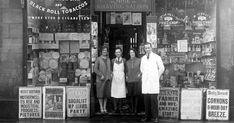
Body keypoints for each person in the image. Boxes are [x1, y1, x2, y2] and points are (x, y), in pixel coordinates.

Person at [140, 42, 165, 123]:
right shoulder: (143, 58)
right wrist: (145, 75)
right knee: (146, 101)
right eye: (146, 48)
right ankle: (147, 117)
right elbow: (141, 69)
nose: (147, 49)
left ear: (151, 48)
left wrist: (156, 76)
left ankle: (155, 117)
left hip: (153, 82)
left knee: (153, 101)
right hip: (146, 82)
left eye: (148, 48)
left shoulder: (156, 57)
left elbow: (162, 68)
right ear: (144, 49)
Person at [94, 46, 112, 114]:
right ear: (101, 51)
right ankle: (101, 107)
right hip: (100, 79)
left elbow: (110, 69)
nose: (105, 51)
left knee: (106, 94)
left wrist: (111, 74)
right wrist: (100, 75)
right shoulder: (98, 59)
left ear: (107, 52)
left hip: (107, 79)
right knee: (100, 94)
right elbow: (95, 69)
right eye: (103, 50)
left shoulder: (108, 59)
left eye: (106, 50)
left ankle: (105, 107)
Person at [111, 47, 127, 113]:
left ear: (121, 53)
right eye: (116, 52)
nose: (118, 53)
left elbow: (126, 69)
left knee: (121, 92)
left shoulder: (124, 60)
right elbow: (111, 69)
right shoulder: (112, 60)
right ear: (115, 53)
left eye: (119, 52)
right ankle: (115, 108)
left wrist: (126, 76)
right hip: (114, 78)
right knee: (115, 92)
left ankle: (120, 108)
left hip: (121, 78)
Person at [126, 48, 141, 114]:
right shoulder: (127, 62)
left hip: (137, 80)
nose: (132, 54)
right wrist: (126, 76)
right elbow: (126, 71)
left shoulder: (139, 60)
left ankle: (136, 109)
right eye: (130, 52)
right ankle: (132, 109)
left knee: (136, 95)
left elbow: (142, 69)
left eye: (133, 52)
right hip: (130, 80)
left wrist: (140, 74)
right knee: (131, 95)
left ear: (135, 53)